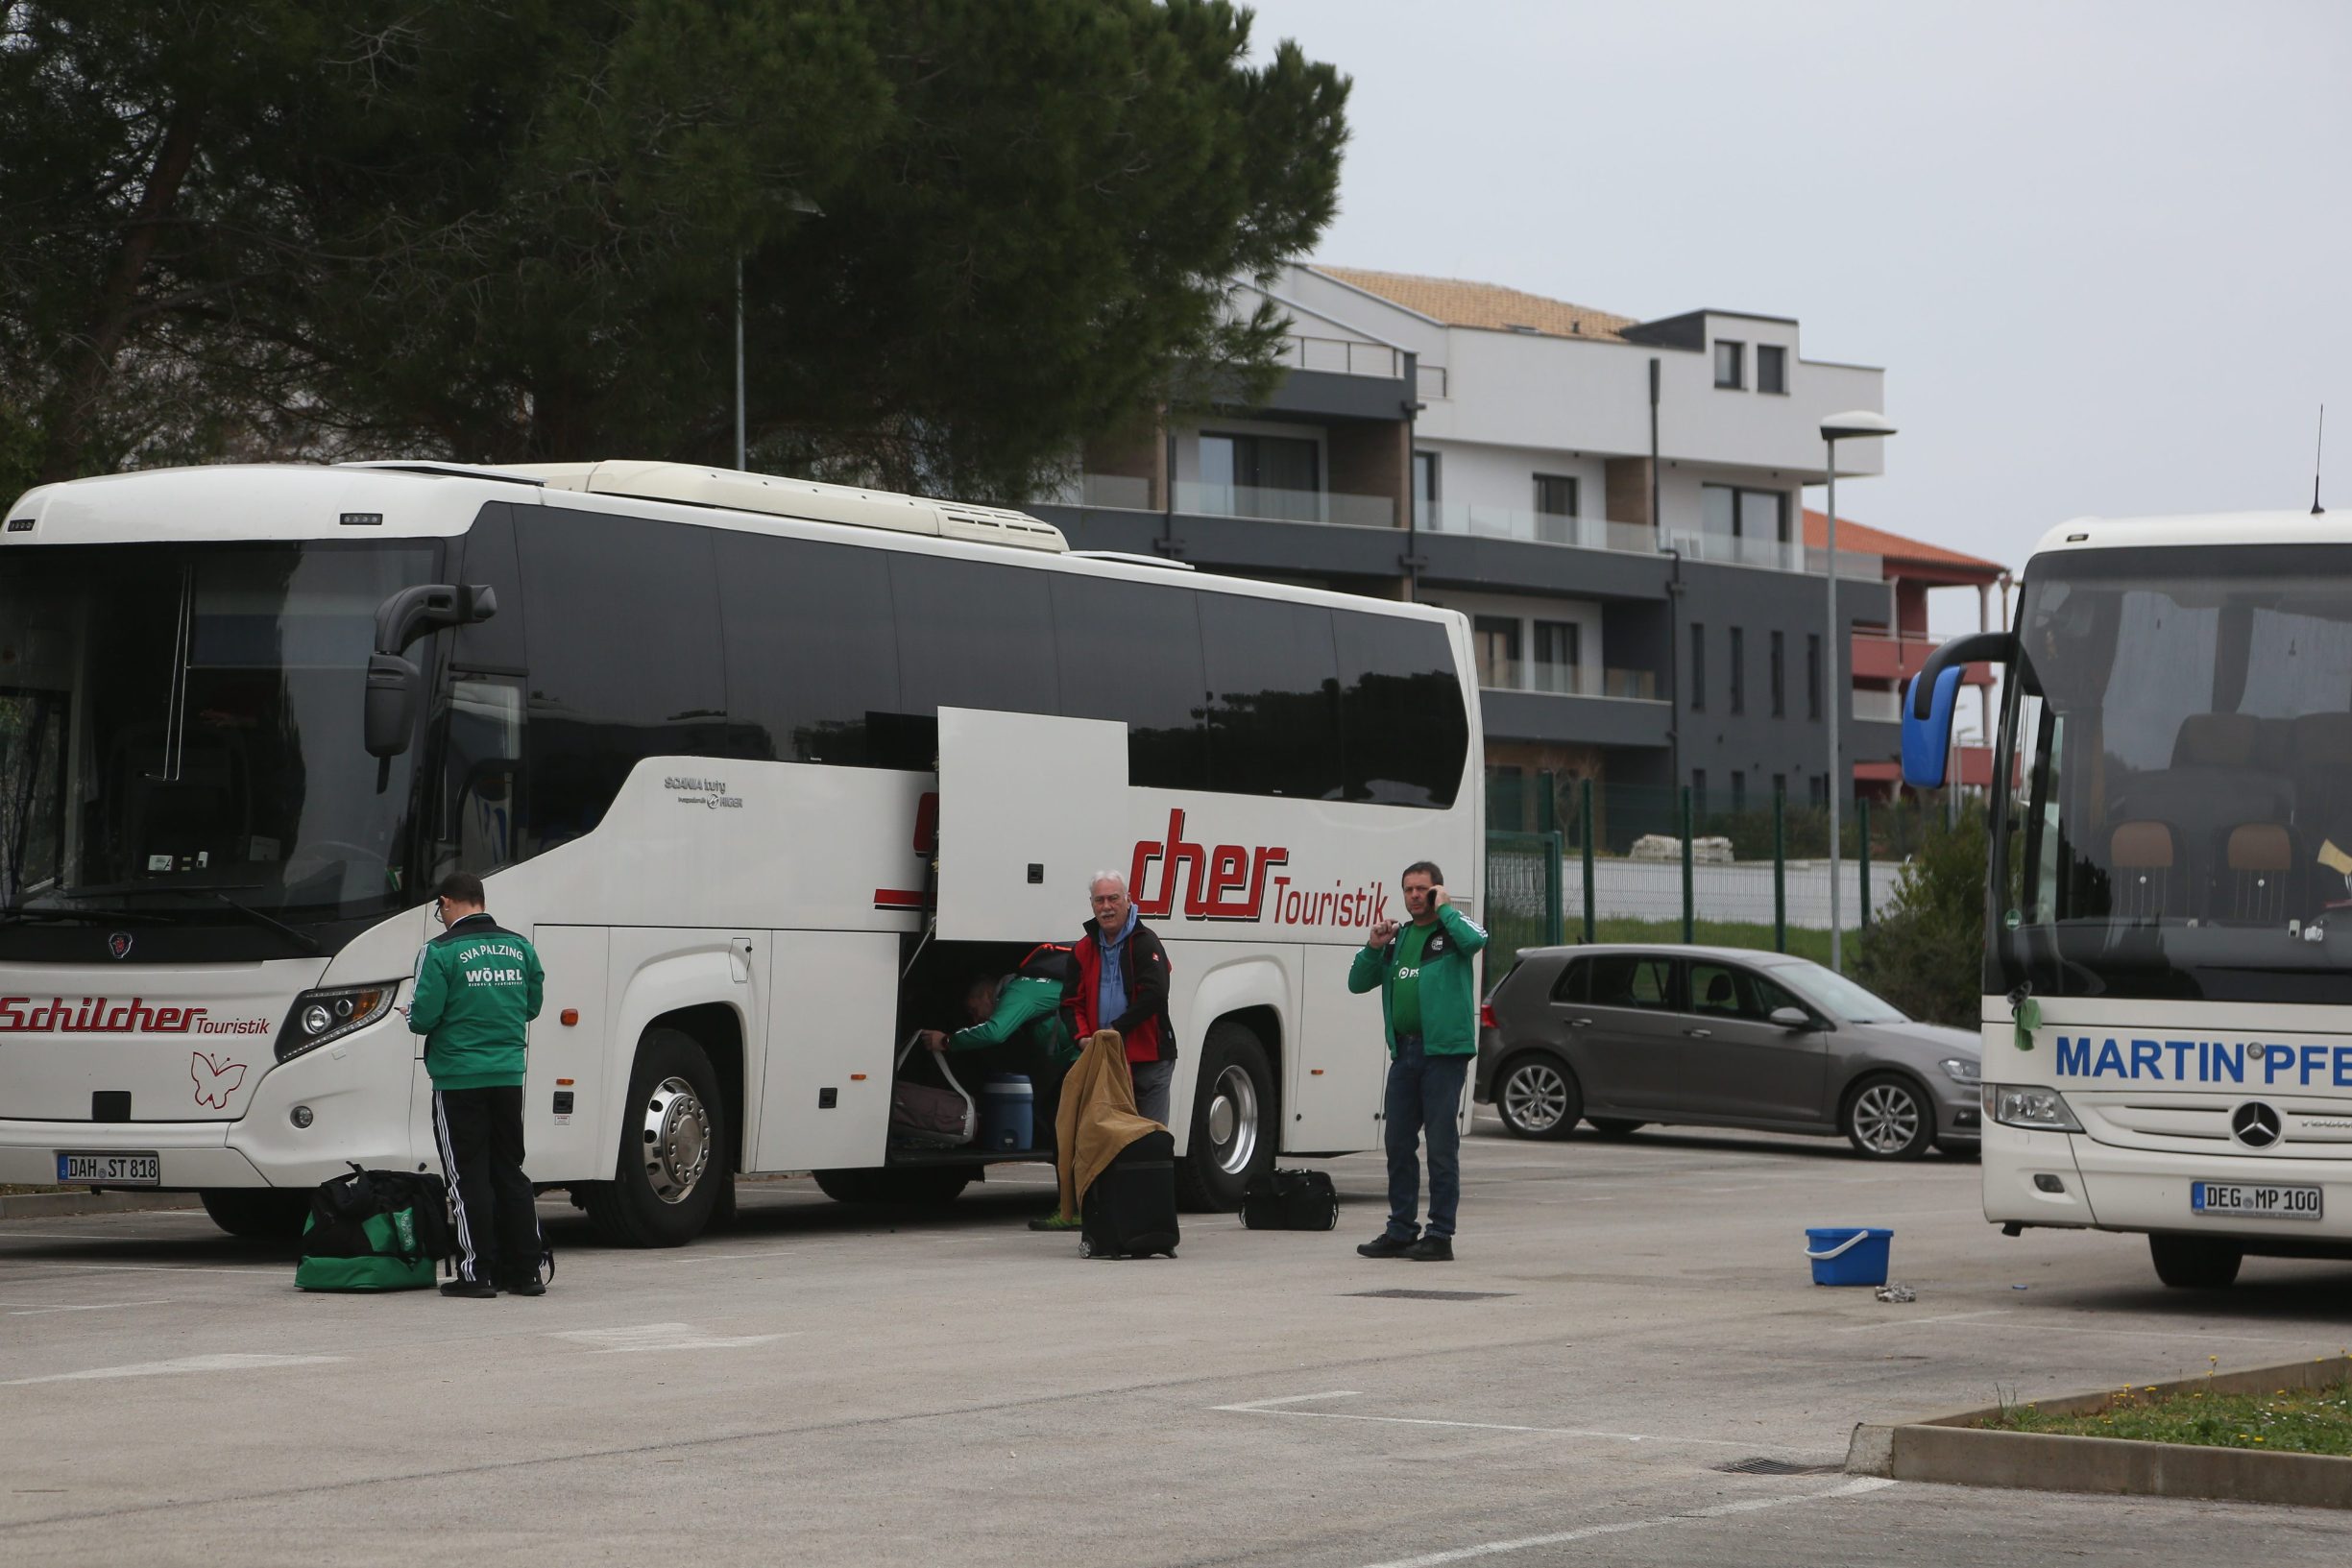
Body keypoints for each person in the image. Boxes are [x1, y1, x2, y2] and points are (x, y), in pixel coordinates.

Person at [405, 870, 547, 1298]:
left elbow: (423, 1016)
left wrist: (414, 1018)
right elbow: (532, 1005)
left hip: (457, 1077)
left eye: (439, 908)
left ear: (447, 903)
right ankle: (526, 1272)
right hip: (507, 1074)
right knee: (510, 1171)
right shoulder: (520, 946)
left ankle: (477, 1272)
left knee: (467, 1176)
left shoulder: (440, 951)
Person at [1349, 860, 1487, 1263]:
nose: (1414, 896)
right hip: (1405, 1053)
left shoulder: (1454, 929)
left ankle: (1440, 1234)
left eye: (1422, 889)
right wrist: (1374, 947)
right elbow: (1357, 983)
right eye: (1408, 889)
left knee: (1441, 1145)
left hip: (1443, 1053)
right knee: (1397, 1143)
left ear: (1437, 891)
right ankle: (1400, 1230)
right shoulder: (1399, 938)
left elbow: (1477, 941)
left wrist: (1446, 909)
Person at [1066, 871, 1177, 1126]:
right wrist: (1082, 1038)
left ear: (1128, 900)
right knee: (1108, 1139)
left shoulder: (1145, 942)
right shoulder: (1083, 949)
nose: (1106, 907)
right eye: (1099, 900)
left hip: (1150, 1060)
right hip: (1105, 1059)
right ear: (1092, 904)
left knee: (1150, 1137)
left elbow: (1155, 994)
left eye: (1113, 899)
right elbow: (1071, 1002)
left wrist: (1116, 1029)